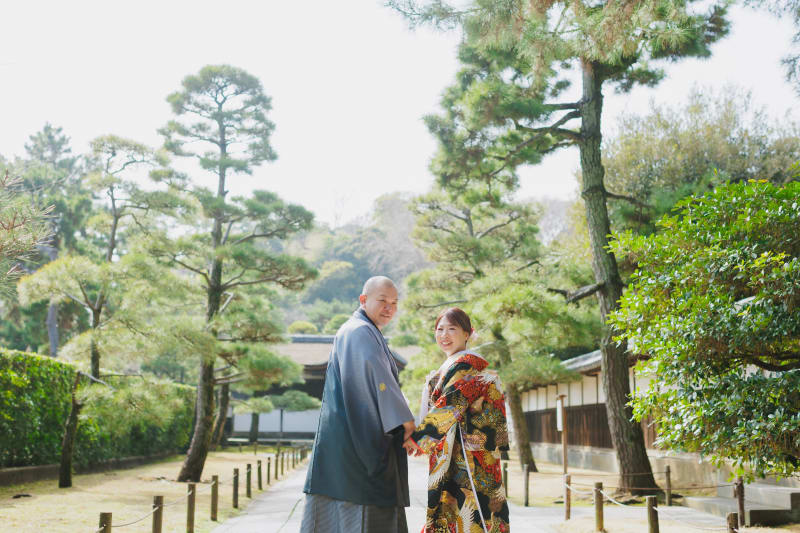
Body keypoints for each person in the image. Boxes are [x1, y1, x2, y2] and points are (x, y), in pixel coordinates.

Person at [301, 276, 415, 533]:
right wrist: (404, 422)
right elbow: (380, 381)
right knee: (364, 503)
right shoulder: (360, 331)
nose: (389, 308)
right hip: (358, 442)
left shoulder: (358, 330)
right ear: (363, 300)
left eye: (394, 303)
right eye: (382, 301)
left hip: (343, 438)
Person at [403, 308, 510, 533]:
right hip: (459, 451)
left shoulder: (467, 365)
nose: (444, 335)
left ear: (467, 333)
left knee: (469, 513)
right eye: (440, 329)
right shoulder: (453, 365)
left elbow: (451, 404)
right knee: (458, 514)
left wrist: (420, 440)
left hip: (468, 457)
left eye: (452, 329)